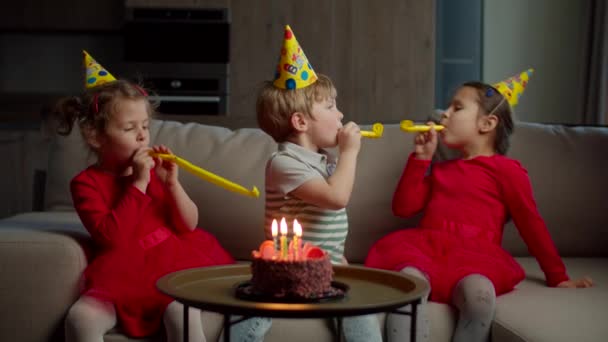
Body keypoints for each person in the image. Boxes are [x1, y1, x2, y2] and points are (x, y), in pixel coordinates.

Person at [364, 69, 594, 342]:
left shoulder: (508, 171)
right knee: (408, 288)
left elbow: (530, 223)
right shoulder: (442, 170)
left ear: (487, 124)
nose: (444, 114)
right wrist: (420, 160)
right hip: (425, 251)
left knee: (480, 300)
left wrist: (557, 276)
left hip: (477, 258)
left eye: (457, 108)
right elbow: (403, 207)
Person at [57, 51, 235, 342]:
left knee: (180, 312)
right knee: (80, 319)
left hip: (172, 263)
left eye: (145, 126)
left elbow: (188, 224)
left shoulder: (154, 172)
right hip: (121, 274)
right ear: (95, 137)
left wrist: (172, 184)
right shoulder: (85, 183)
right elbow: (111, 238)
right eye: (129, 128)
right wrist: (138, 183)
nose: (142, 136)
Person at [226, 25, 382, 342]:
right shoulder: (284, 163)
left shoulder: (323, 160)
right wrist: (350, 151)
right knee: (248, 322)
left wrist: (344, 267)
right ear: (300, 122)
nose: (340, 115)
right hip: (287, 271)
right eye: (330, 107)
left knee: (362, 322)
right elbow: (336, 198)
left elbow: (331, 234)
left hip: (327, 268)